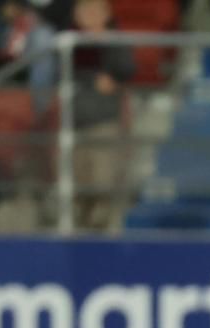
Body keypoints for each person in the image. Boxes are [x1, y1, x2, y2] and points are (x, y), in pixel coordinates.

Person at [65, 0, 133, 231]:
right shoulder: (70, 43)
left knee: (103, 186)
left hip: (104, 125)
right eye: (84, 12)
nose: (89, 17)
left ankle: (105, 241)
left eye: (95, 11)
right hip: (74, 127)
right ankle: (80, 242)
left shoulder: (114, 41)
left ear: (107, 14)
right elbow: (63, 75)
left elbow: (126, 69)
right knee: (77, 190)